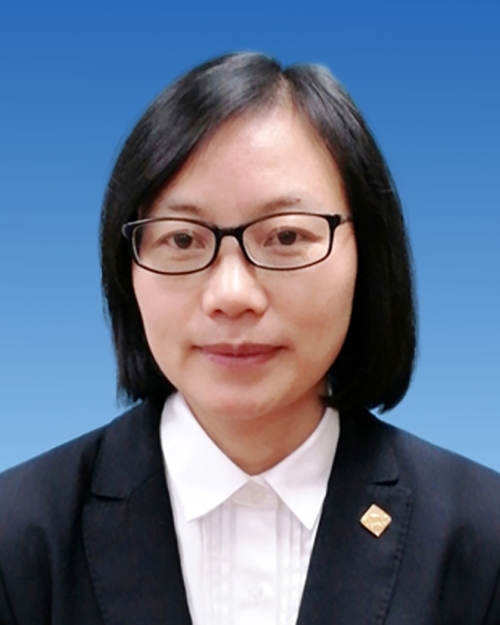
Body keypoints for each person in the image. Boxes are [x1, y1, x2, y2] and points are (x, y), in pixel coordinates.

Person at [0, 52, 499, 625]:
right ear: (127, 269)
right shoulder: (19, 541)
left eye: (285, 236)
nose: (232, 294)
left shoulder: (481, 541)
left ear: (368, 253)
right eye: (183, 240)